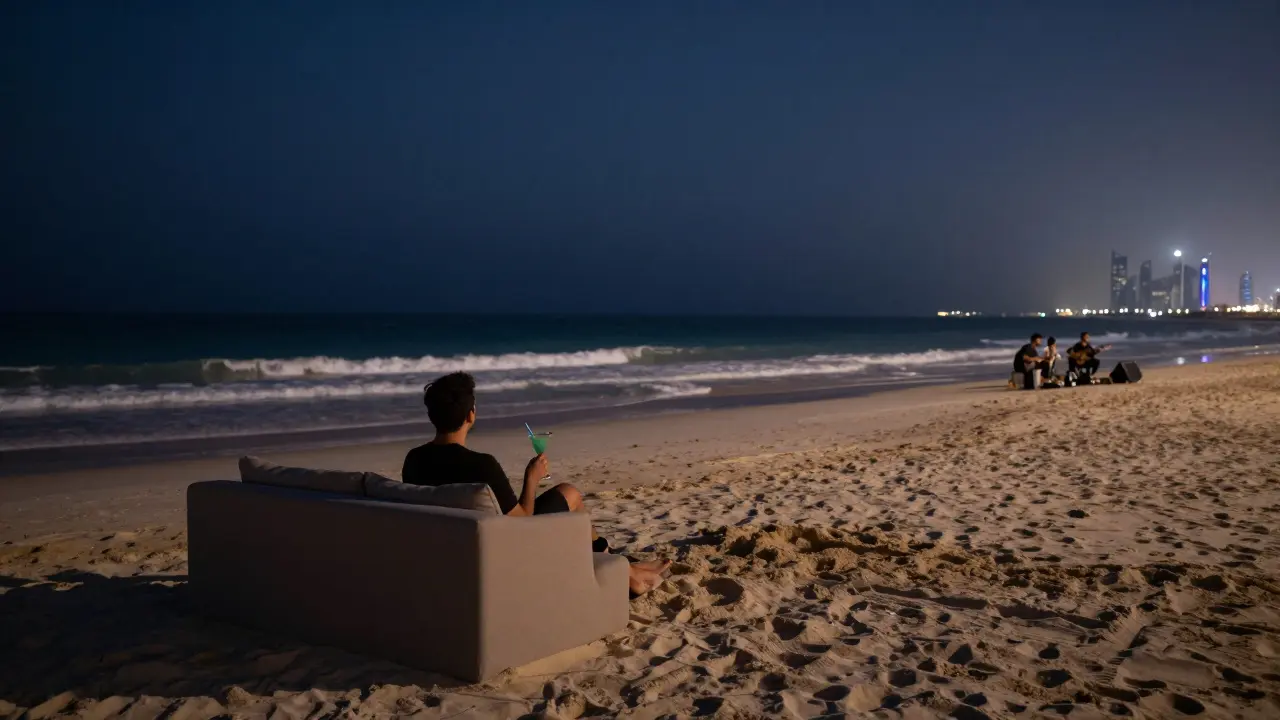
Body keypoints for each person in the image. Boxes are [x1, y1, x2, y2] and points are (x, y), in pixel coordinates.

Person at [402, 371, 670, 596]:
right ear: (471, 415)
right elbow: (522, 520)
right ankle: (622, 568)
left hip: (454, 556)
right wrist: (532, 478)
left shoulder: (413, 460)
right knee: (570, 493)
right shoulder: (482, 465)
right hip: (503, 554)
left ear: (432, 416)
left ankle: (620, 563)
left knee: (567, 497)